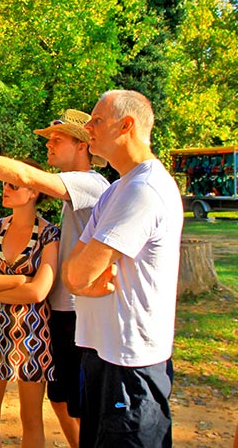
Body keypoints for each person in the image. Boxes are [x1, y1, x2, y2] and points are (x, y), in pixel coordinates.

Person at [0, 108, 110, 448]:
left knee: (76, 405)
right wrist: (16, 283)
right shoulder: (1, 225)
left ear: (83, 146)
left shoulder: (86, 187)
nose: (49, 145)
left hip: (72, 317)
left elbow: (36, 289)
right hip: (52, 317)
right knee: (61, 400)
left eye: (58, 140)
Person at [63, 90, 183, 447]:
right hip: (105, 354)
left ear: (127, 125)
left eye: (97, 120)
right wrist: (83, 279)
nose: (88, 127)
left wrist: (83, 279)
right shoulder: (117, 189)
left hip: (131, 365)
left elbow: (80, 275)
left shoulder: (144, 189)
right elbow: (74, 271)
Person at [0, 159, 59, 448]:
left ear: (33, 191)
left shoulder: (49, 234)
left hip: (33, 335)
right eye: (5, 183)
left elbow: (38, 293)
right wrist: (17, 282)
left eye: (13, 184)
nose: (5, 188)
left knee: (31, 419)